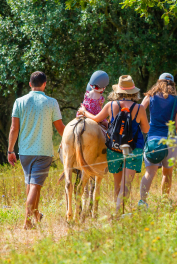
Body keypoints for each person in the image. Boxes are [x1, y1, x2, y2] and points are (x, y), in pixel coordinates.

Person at [78, 75, 149, 213]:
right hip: (134, 149)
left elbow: (96, 118)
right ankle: (119, 212)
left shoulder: (110, 105)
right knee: (126, 184)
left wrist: (84, 112)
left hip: (113, 149)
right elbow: (146, 129)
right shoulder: (139, 108)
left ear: (118, 91)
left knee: (117, 184)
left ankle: (118, 212)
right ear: (133, 92)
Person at [8, 71, 65, 229]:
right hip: (43, 152)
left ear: (29, 84)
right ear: (45, 84)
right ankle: (26, 221)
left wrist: (10, 150)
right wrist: (71, 138)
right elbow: (60, 128)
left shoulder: (19, 101)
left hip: (25, 151)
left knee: (31, 185)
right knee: (35, 186)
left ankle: (36, 217)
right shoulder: (51, 102)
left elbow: (14, 128)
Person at [139, 73, 177, 207]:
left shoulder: (150, 97)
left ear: (159, 83)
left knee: (150, 173)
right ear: (172, 85)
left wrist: (146, 124)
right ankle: (164, 202)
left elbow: (139, 111)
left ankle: (142, 202)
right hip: (170, 141)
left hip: (152, 139)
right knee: (167, 173)